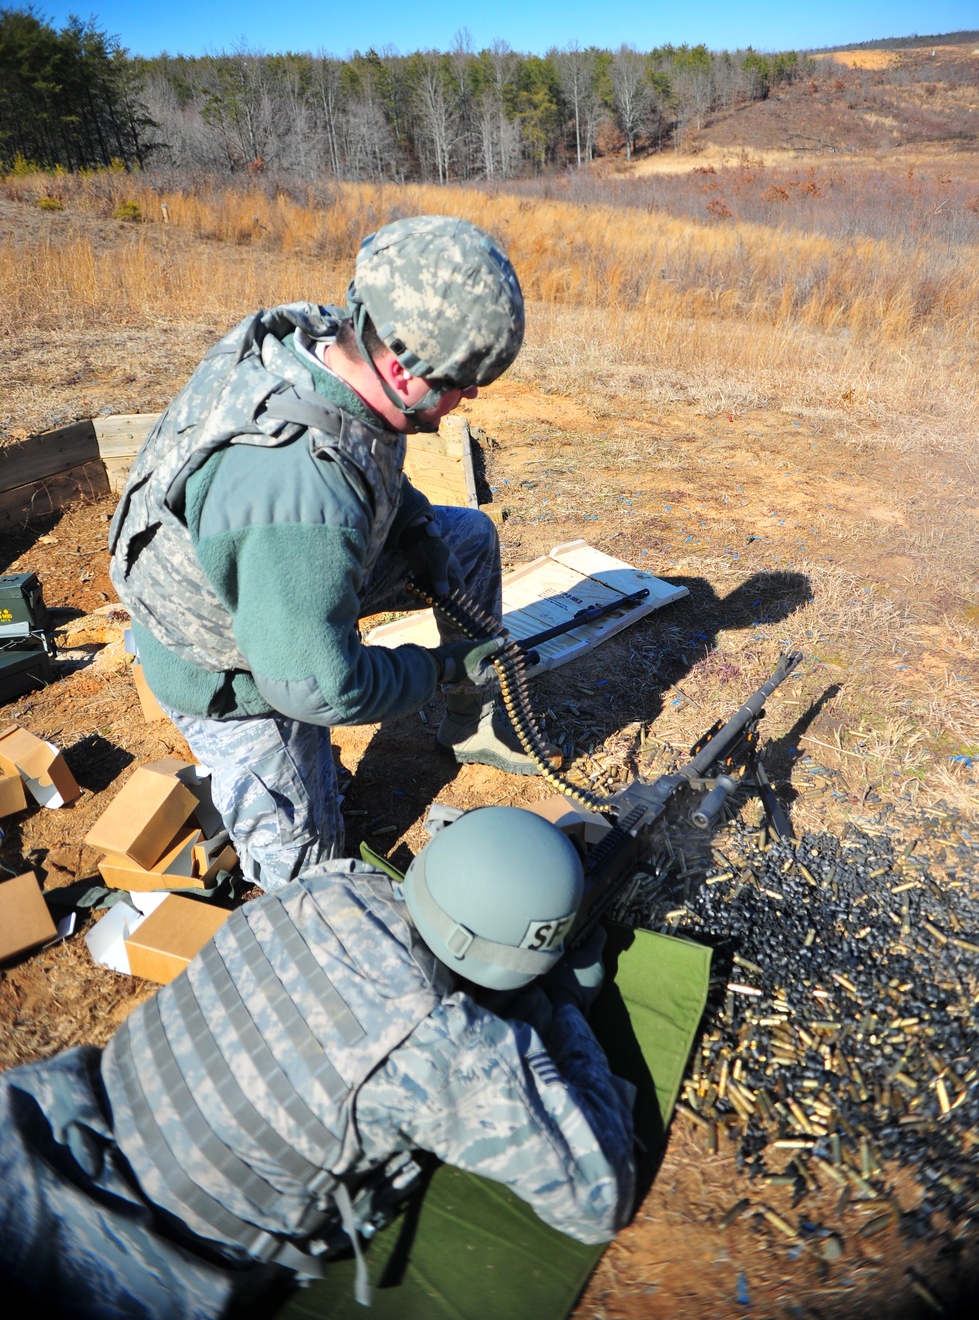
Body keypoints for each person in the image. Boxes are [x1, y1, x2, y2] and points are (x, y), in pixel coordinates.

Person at [0, 806, 637, 1319]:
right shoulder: (442, 1047)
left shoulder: (331, 884)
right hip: (128, 1264)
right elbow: (596, 1197)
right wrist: (559, 1005)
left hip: (45, 1133)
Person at [108, 215, 544, 891]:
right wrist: (438, 668)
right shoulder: (298, 492)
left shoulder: (332, 345)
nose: (471, 396)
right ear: (402, 367)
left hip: (283, 582)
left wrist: (418, 527)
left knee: (469, 539)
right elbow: (316, 687)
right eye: (463, 380)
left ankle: (473, 724)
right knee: (312, 875)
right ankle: (287, 819)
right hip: (233, 664)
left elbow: (364, 459)